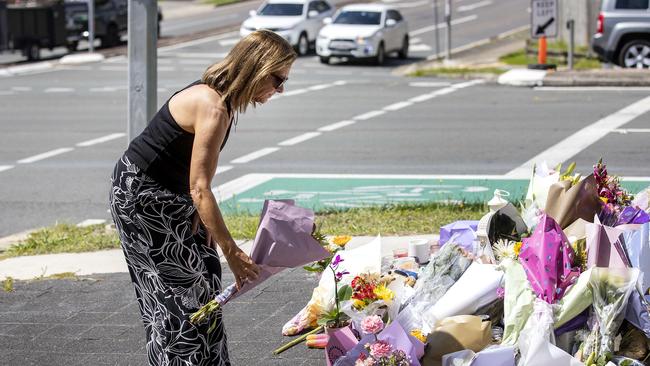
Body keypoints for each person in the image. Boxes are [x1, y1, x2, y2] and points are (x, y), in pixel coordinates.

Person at [109, 30, 297, 366]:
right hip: (143, 199)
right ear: (257, 67)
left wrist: (200, 213)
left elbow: (194, 180)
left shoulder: (222, 102)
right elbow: (201, 188)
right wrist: (232, 251)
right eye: (278, 79)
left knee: (205, 280)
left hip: (169, 194)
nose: (280, 89)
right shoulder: (212, 107)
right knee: (181, 299)